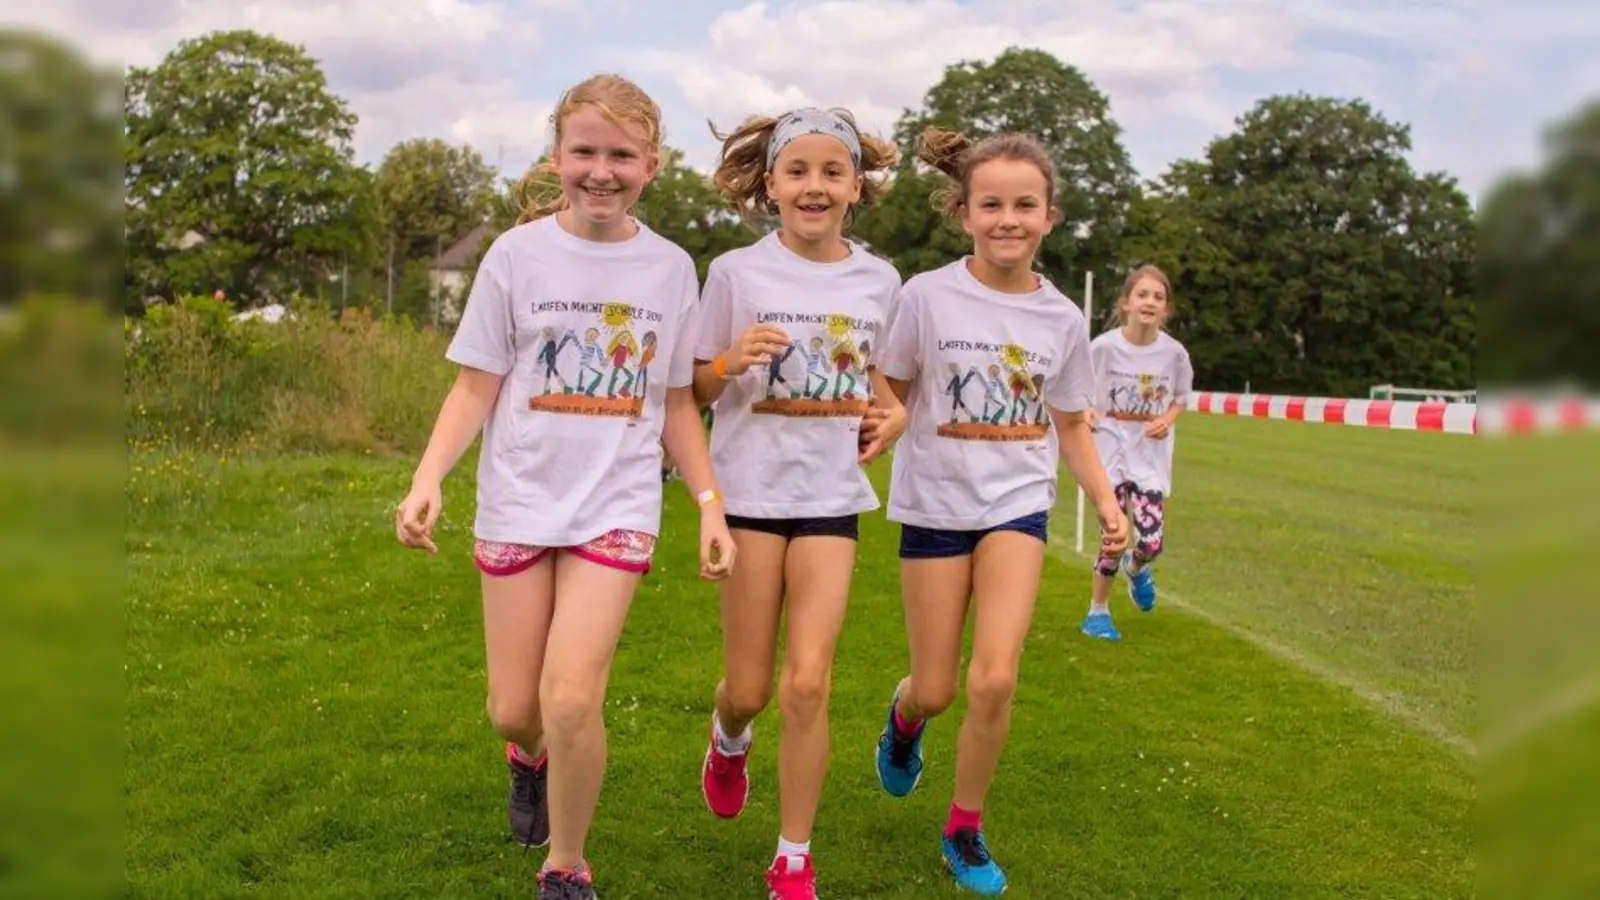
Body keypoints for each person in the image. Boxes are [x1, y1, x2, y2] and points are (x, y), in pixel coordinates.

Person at [392, 73, 736, 900]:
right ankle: (526, 757)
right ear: (558, 156)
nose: (602, 170)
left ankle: (567, 867)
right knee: (517, 708)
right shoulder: (515, 256)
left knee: (573, 696)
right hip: (518, 500)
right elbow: (476, 384)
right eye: (585, 151)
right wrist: (428, 476)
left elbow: (676, 400)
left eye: (622, 154)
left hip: (614, 506)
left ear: (652, 164)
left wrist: (708, 502)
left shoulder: (669, 268)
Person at [869, 126, 1131, 896]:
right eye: (992, 204)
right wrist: (886, 418)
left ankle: (964, 828)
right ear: (965, 213)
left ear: (1050, 216)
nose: (1007, 219)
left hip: (1016, 508)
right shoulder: (925, 296)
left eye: (1025, 205)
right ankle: (905, 721)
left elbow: (1074, 426)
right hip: (934, 506)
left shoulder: (1061, 320)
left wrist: (1108, 502)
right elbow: (890, 387)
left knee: (993, 681)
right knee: (938, 686)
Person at [692, 106, 905, 900]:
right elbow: (697, 385)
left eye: (832, 172)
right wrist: (729, 359)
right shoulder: (737, 275)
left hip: (829, 499)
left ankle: (792, 855)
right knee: (749, 689)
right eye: (799, 172)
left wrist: (897, 413)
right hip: (748, 496)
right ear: (771, 184)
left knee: (808, 683)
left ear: (856, 186)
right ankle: (728, 738)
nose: (814, 186)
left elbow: (878, 377)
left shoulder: (880, 280)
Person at [1080, 265, 1193, 641]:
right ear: (1126, 303)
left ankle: (1137, 566)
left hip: (1149, 459)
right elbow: (1078, 389)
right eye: (1142, 295)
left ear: (1166, 309)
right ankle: (1098, 612)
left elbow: (1180, 398)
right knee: (1113, 536)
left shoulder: (1174, 354)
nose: (1150, 302)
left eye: (1158, 297)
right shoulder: (1103, 348)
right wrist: (1086, 411)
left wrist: (1168, 418)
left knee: (1151, 542)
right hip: (1109, 454)